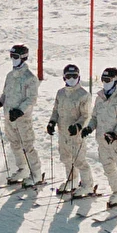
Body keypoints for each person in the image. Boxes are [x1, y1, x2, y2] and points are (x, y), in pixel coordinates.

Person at [83, 67, 117, 208]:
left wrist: (115, 133)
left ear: (116, 81)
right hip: (102, 142)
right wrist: (89, 127)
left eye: (108, 80)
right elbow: (94, 117)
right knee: (109, 169)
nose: (105, 83)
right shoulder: (99, 98)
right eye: (103, 80)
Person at [0, 44, 42, 187]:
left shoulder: (30, 78)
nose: (13, 59)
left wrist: (20, 111)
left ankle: (36, 173)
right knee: (14, 144)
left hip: (22, 119)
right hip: (9, 117)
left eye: (16, 56)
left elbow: (31, 99)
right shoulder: (10, 76)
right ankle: (23, 169)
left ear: (23, 58)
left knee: (27, 145)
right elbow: (5, 94)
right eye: (11, 56)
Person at [47, 64, 94, 196]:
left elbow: (86, 115)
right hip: (63, 132)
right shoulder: (60, 93)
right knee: (66, 158)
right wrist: (52, 122)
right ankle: (72, 180)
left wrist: (78, 126)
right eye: (69, 76)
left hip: (76, 134)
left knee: (79, 160)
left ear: (79, 77)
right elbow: (56, 110)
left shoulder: (84, 95)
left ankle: (87, 185)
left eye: (74, 76)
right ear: (64, 78)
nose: (72, 79)